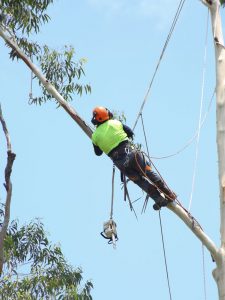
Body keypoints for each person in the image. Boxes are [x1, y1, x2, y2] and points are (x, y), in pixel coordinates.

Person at [91, 106, 176, 209]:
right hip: (132, 154)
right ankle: (168, 193)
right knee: (148, 172)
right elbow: (130, 132)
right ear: (107, 114)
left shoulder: (94, 136)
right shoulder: (115, 123)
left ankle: (158, 199)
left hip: (122, 164)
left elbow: (98, 153)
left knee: (140, 181)